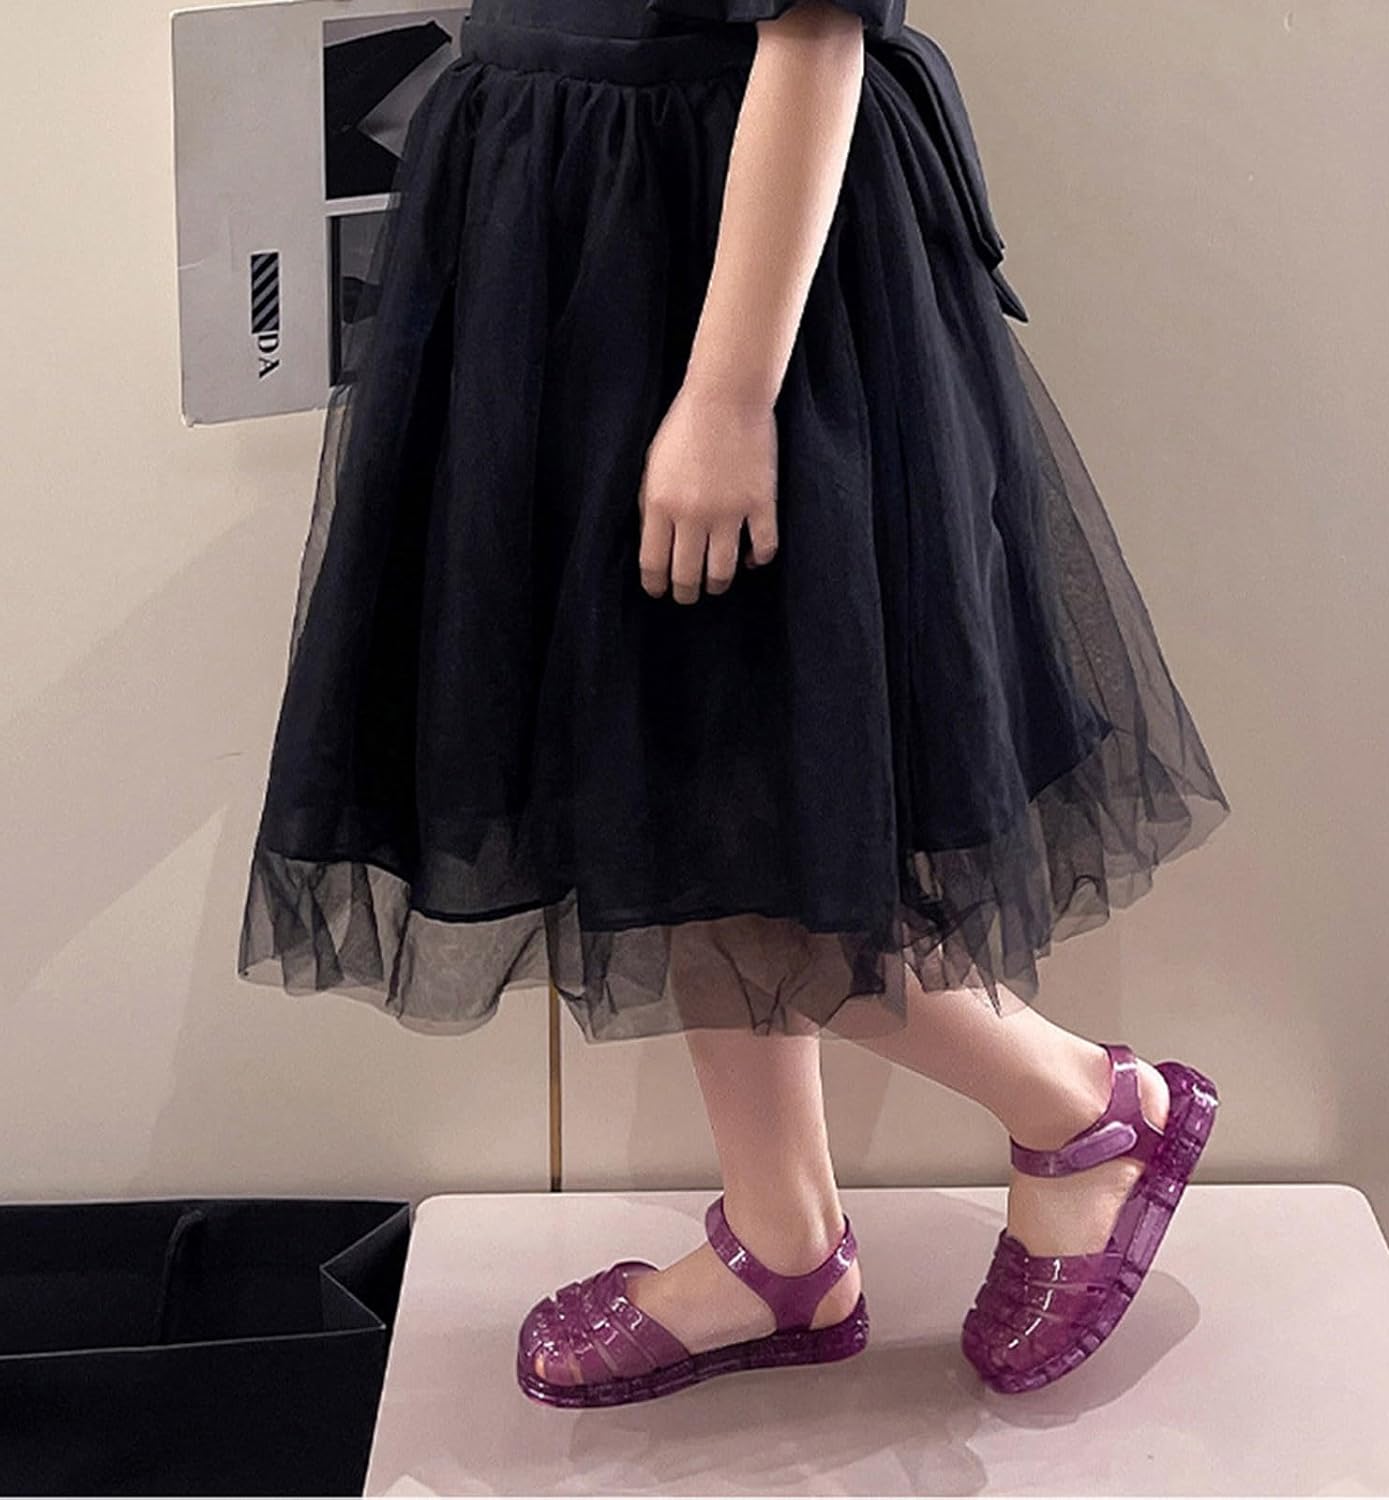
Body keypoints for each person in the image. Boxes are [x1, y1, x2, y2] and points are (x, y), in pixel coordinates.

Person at [237, 0, 1231, 1406]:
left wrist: (727, 395)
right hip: (556, 219)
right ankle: (782, 1241)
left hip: (733, 258)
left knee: (740, 782)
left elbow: (817, 29)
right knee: (677, 772)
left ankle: (1083, 1112)